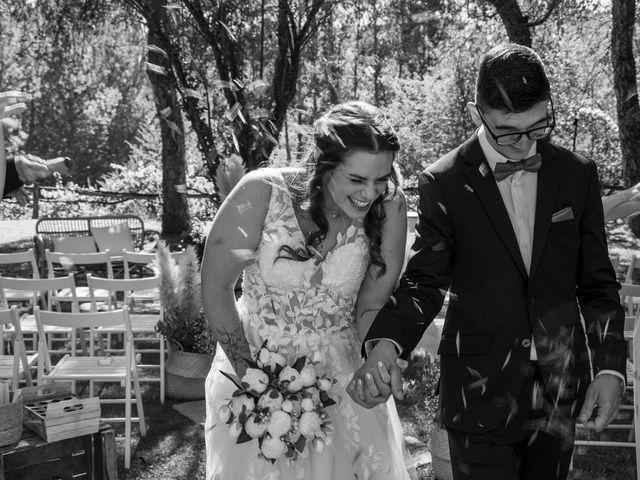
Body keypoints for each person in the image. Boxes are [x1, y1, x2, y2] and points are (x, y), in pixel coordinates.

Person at [348, 43, 627, 480]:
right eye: (508, 132)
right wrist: (386, 343)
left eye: (538, 128)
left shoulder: (577, 174)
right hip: (477, 392)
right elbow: (424, 281)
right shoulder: (444, 181)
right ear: (477, 112)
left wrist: (610, 367)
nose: (523, 144)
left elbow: (598, 284)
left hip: (559, 385)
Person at [201, 101, 417, 479]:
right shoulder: (260, 193)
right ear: (323, 163)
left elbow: (371, 305)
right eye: (357, 179)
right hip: (255, 360)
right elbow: (217, 287)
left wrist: (373, 365)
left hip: (342, 375)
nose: (371, 193)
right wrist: (253, 381)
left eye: (381, 178)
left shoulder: (390, 208)